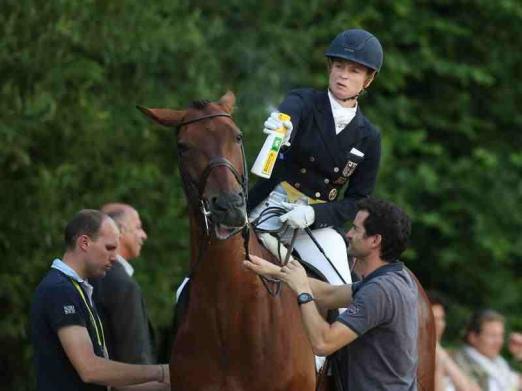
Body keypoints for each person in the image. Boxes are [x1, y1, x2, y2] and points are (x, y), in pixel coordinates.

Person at [248, 28, 383, 287]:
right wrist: (284, 127)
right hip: (269, 203)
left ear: (368, 80)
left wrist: (314, 214)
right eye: (339, 66)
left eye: (354, 70)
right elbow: (290, 113)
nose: (343, 75)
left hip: (314, 223)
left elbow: (358, 200)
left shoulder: (369, 137)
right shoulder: (304, 100)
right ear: (330, 68)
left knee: (341, 291)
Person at [244, 198, 418, 391]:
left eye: (356, 229)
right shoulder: (395, 277)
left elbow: (323, 343)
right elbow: (329, 293)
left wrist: (302, 292)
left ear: (375, 240)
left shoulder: (380, 292)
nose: (348, 234)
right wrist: (277, 272)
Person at [30, 209, 169, 391]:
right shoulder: (60, 290)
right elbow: (90, 370)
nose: (114, 257)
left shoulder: (78, 289)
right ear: (84, 243)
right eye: (109, 248)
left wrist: (177, 381)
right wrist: (160, 372)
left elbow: (109, 382)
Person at [91, 203, 155, 364]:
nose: (143, 235)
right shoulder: (123, 285)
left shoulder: (87, 276)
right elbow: (134, 356)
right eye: (138, 227)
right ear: (119, 231)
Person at [452, 309, 522, 390]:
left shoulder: (498, 363)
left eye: (501, 335)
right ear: (473, 337)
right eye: (493, 336)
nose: (499, 341)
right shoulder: (460, 366)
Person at [428, 292, 480, 391]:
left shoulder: (446, 354)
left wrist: (439, 352)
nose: (439, 325)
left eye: (441, 319)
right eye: (433, 319)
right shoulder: (412, 358)